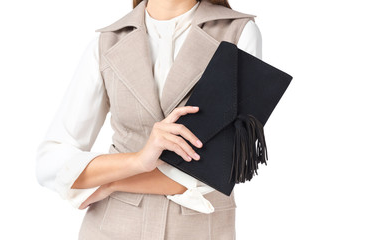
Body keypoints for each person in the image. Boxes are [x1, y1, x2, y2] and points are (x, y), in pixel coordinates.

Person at [36, 0, 262, 239]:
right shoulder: (106, 43)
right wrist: (137, 161)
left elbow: (222, 164)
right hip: (111, 227)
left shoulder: (239, 32)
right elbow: (49, 163)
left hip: (197, 230)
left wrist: (112, 183)